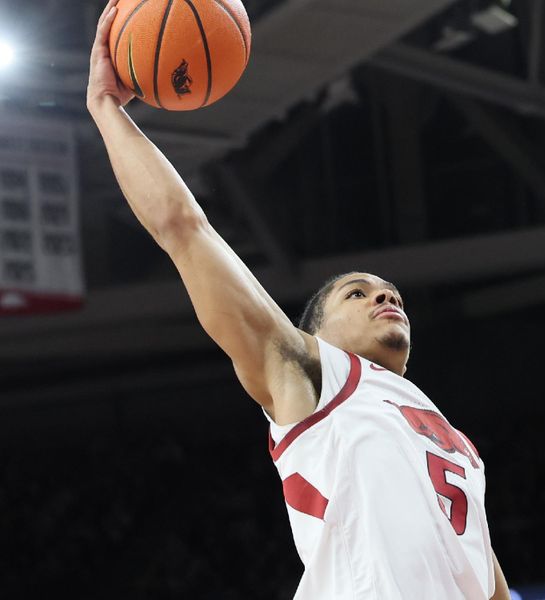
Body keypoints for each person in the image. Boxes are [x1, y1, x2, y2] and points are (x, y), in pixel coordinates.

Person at [87, 1, 511, 598]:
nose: (383, 295)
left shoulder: (456, 443)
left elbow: (489, 586)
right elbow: (185, 230)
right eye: (356, 293)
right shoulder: (314, 375)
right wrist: (105, 109)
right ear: (318, 333)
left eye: (387, 291)